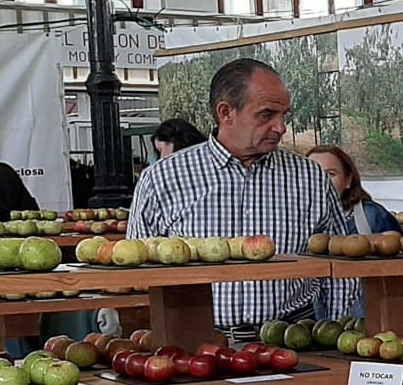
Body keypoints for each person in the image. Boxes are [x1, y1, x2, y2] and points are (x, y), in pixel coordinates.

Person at [128, 57, 359, 332]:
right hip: (196, 345)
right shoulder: (162, 179)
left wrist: (334, 335)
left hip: (294, 341)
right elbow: (136, 271)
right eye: (267, 114)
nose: (281, 127)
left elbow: (340, 267)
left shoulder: (310, 178)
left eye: (284, 115)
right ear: (226, 112)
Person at [308, 144, 400, 234]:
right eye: (312, 174)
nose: (320, 181)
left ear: (348, 180)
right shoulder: (296, 218)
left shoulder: (372, 215)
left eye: (330, 174)